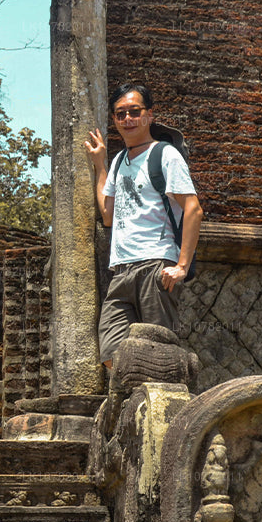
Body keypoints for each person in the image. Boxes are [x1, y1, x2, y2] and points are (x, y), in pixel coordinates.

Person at [84, 84, 203, 368]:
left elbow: (193, 209)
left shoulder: (165, 155)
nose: (127, 119)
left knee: (159, 355)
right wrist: (100, 165)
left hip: (155, 266)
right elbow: (108, 216)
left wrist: (182, 266)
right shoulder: (118, 162)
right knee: (112, 356)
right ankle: (133, 406)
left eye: (134, 112)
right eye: (120, 114)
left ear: (149, 115)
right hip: (121, 269)